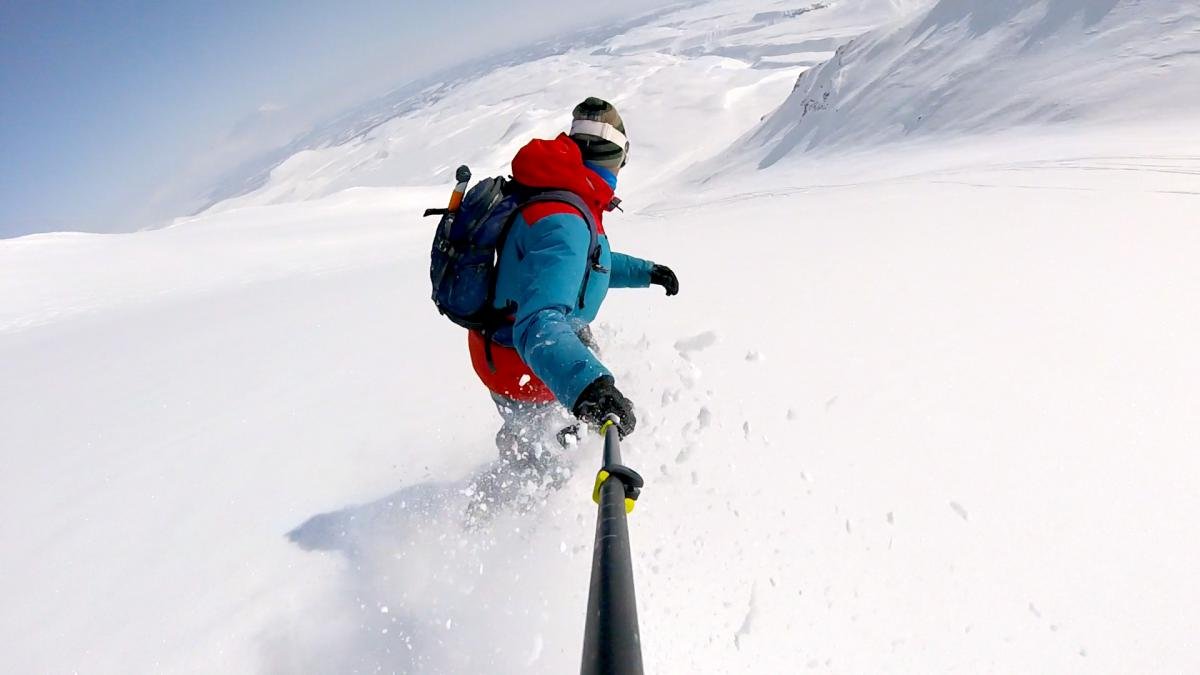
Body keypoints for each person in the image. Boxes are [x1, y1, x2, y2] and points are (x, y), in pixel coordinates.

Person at [465, 97, 678, 511]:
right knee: (544, 467)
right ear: (614, 158)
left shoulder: (565, 197)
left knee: (536, 431)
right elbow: (538, 325)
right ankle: (513, 511)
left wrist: (646, 272)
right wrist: (589, 390)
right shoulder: (562, 217)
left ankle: (532, 444)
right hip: (523, 364)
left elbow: (588, 265)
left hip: (509, 348)